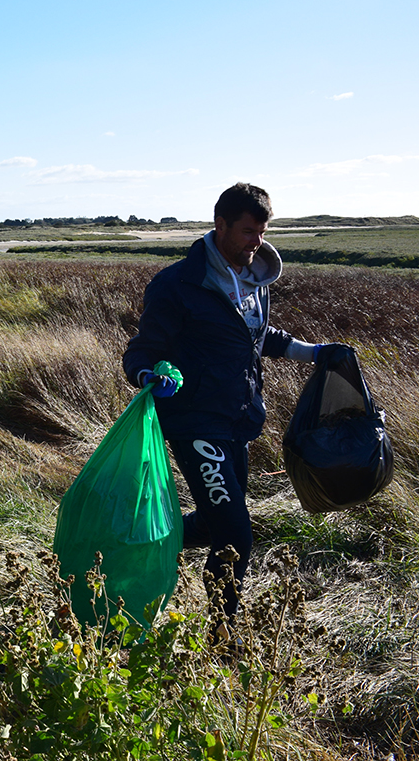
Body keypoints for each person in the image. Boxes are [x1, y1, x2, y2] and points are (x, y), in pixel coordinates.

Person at [123, 183, 339, 629]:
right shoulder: (177, 284)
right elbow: (142, 350)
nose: (255, 242)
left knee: (211, 523)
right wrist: (148, 376)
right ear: (220, 225)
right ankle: (222, 632)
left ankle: (137, 539)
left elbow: (259, 337)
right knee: (236, 535)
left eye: (261, 232)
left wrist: (315, 352)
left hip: (239, 419)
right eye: (247, 231)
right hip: (195, 423)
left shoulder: (254, 278)